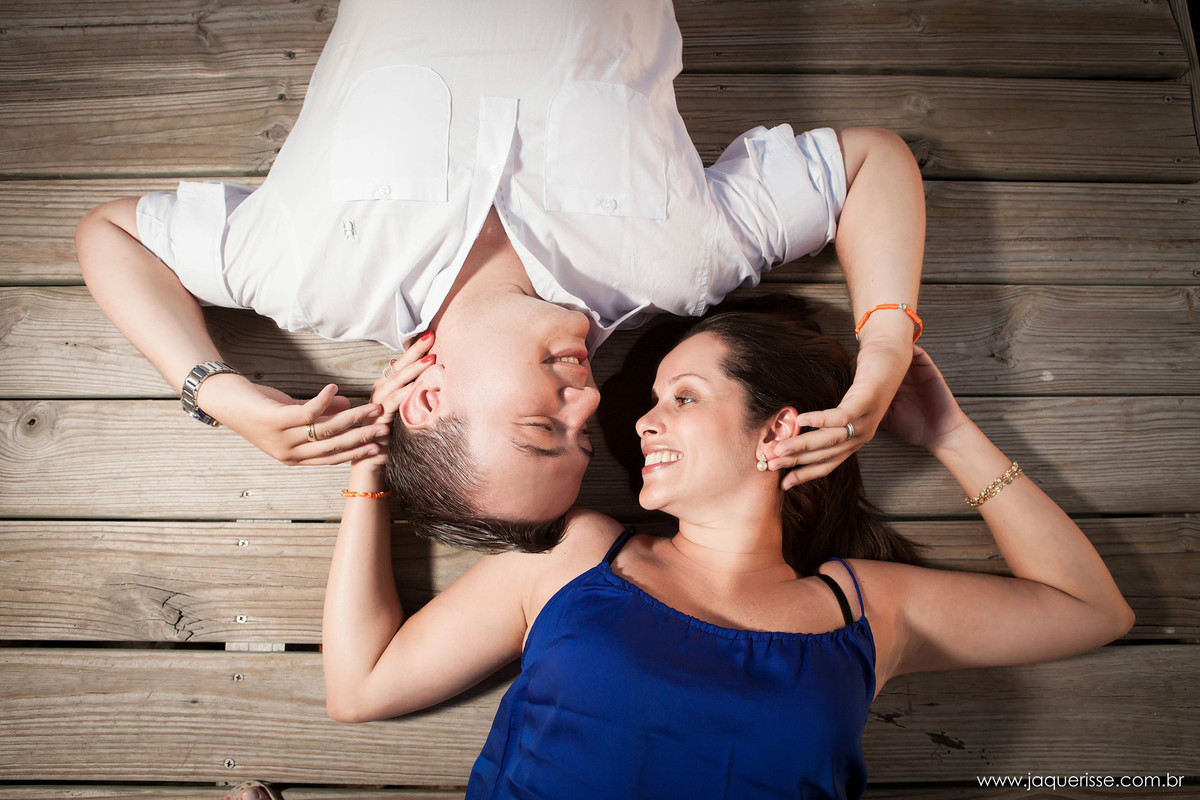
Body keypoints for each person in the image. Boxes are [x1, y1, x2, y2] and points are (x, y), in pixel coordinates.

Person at [73, 0, 925, 548]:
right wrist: (884, 358)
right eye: (584, 437)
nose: (589, 403)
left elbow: (110, 234)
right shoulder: (678, 268)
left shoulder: (301, 275)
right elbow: (872, 164)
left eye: (542, 428)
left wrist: (216, 391)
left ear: (426, 400)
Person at [316, 297, 1134, 800]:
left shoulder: (865, 610)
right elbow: (361, 686)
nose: (643, 420)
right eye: (652, 401)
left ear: (776, 431)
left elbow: (1091, 610)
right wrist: (369, 461)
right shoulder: (578, 557)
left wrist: (952, 436)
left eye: (684, 397)